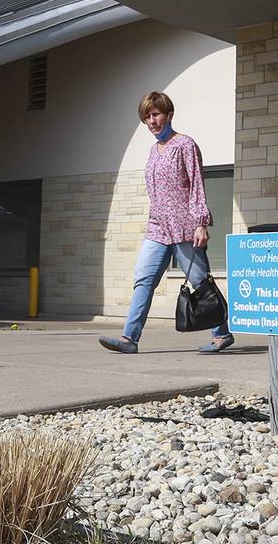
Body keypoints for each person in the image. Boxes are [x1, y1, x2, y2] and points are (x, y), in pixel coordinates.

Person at [99, 91, 234, 354]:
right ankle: (129, 338)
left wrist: (200, 223)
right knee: (144, 279)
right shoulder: (152, 151)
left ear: (169, 114)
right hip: (157, 228)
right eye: (147, 117)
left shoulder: (185, 145)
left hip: (185, 227)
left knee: (200, 282)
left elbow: (197, 185)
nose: (152, 120)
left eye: (156, 114)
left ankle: (222, 333)